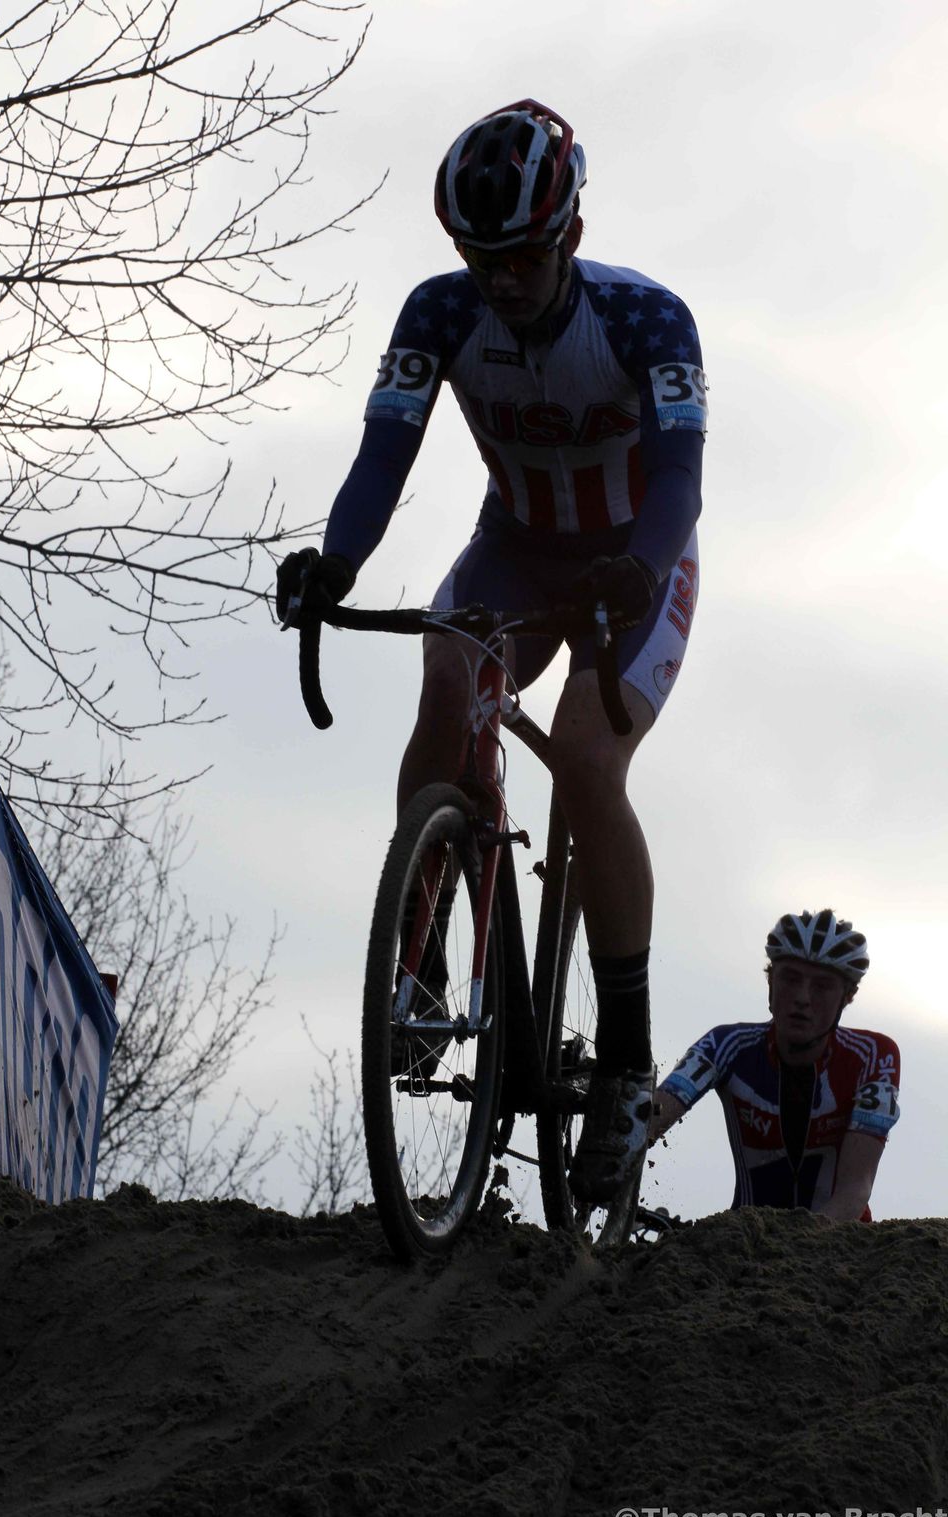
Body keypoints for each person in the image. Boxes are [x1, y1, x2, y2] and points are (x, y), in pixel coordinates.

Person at [277, 100, 708, 1203]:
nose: (498, 278)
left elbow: (677, 482)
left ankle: (622, 1057)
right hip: (513, 553)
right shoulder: (439, 312)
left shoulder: (648, 321)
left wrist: (642, 568)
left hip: (630, 568)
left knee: (583, 758)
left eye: (516, 256)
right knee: (444, 679)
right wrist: (336, 563)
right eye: (478, 257)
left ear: (565, 233)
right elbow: (384, 454)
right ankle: (421, 966)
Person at [652, 909, 901, 1222]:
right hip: (746, 1242)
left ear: (847, 998)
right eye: (790, 978)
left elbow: (854, 1191)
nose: (802, 998)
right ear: (770, 982)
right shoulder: (726, 1045)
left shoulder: (874, 1055)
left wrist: (805, 1251)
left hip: (839, 1243)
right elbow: (652, 1116)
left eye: (822, 986)